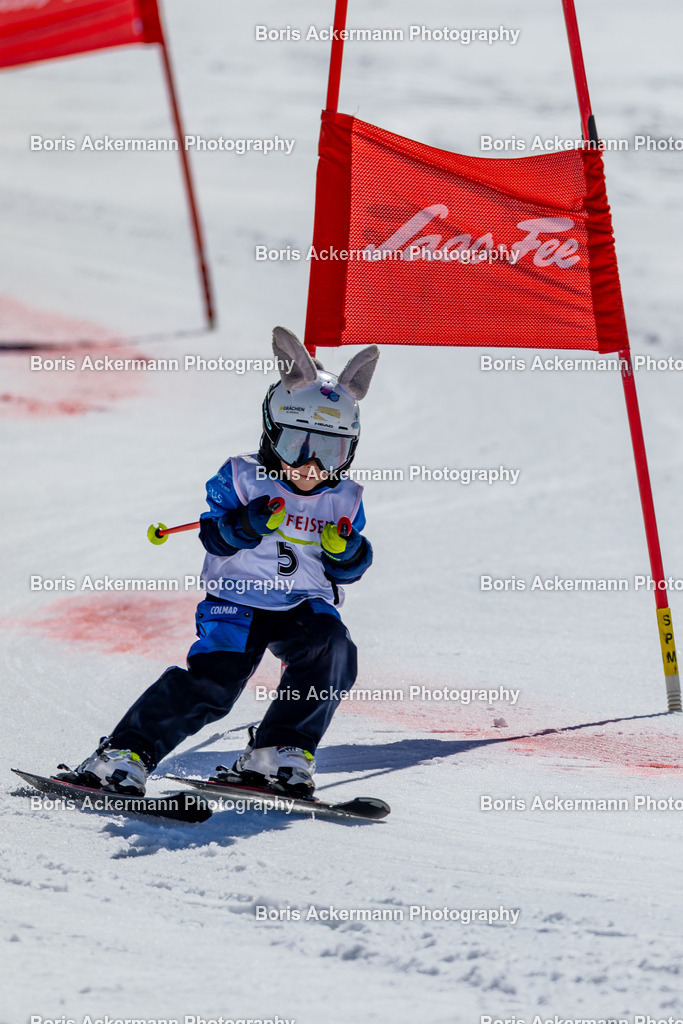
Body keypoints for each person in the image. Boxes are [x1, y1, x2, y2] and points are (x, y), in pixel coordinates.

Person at [62, 327, 379, 798]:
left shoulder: (345, 497)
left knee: (333, 650)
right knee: (216, 683)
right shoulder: (242, 475)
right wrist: (246, 524)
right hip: (238, 602)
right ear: (272, 434)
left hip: (303, 604)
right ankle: (123, 754)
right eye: (298, 446)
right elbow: (215, 536)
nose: (311, 466)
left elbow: (351, 568)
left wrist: (345, 551)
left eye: (329, 451)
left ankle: (279, 751)